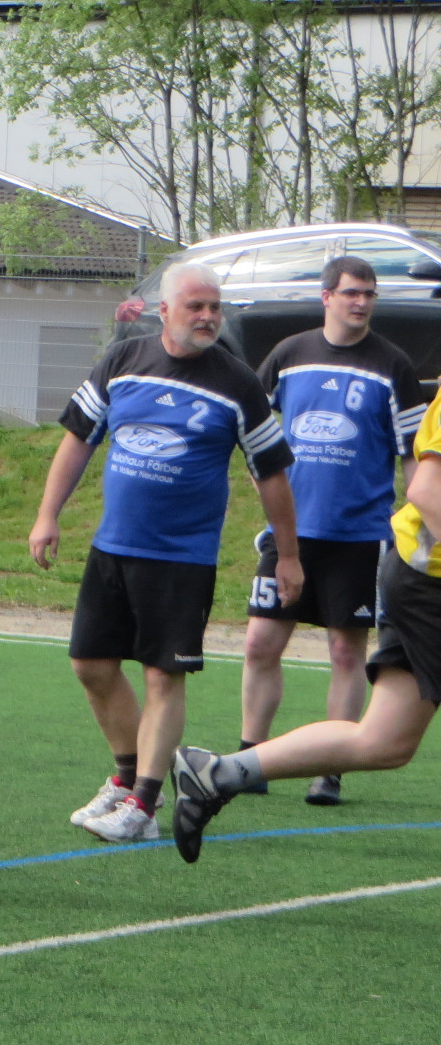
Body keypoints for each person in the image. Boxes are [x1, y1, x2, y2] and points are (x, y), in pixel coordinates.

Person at [29, 261, 300, 843]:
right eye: (196, 306)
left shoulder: (237, 383)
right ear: (165, 311)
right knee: (91, 665)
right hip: (113, 547)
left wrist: (288, 554)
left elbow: (272, 475)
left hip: (182, 559)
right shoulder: (122, 362)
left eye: (215, 307)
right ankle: (127, 776)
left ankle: (145, 806)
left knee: (162, 676)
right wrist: (48, 514)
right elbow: (77, 440)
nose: (207, 317)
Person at [174, 342, 441, 861]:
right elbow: (426, 490)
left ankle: (218, 773)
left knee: (384, 742)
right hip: (428, 587)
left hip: (419, 582)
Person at [238, 257, 424, 807]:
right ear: (326, 297)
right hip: (291, 534)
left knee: (346, 652)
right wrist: (263, 488)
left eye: (369, 294)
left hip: (360, 536)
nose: (361, 302)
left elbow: (414, 455)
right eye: (351, 293)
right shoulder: (289, 355)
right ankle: (250, 757)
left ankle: (330, 769)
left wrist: (419, 513)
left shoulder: (393, 366)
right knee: (260, 642)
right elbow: (251, 428)